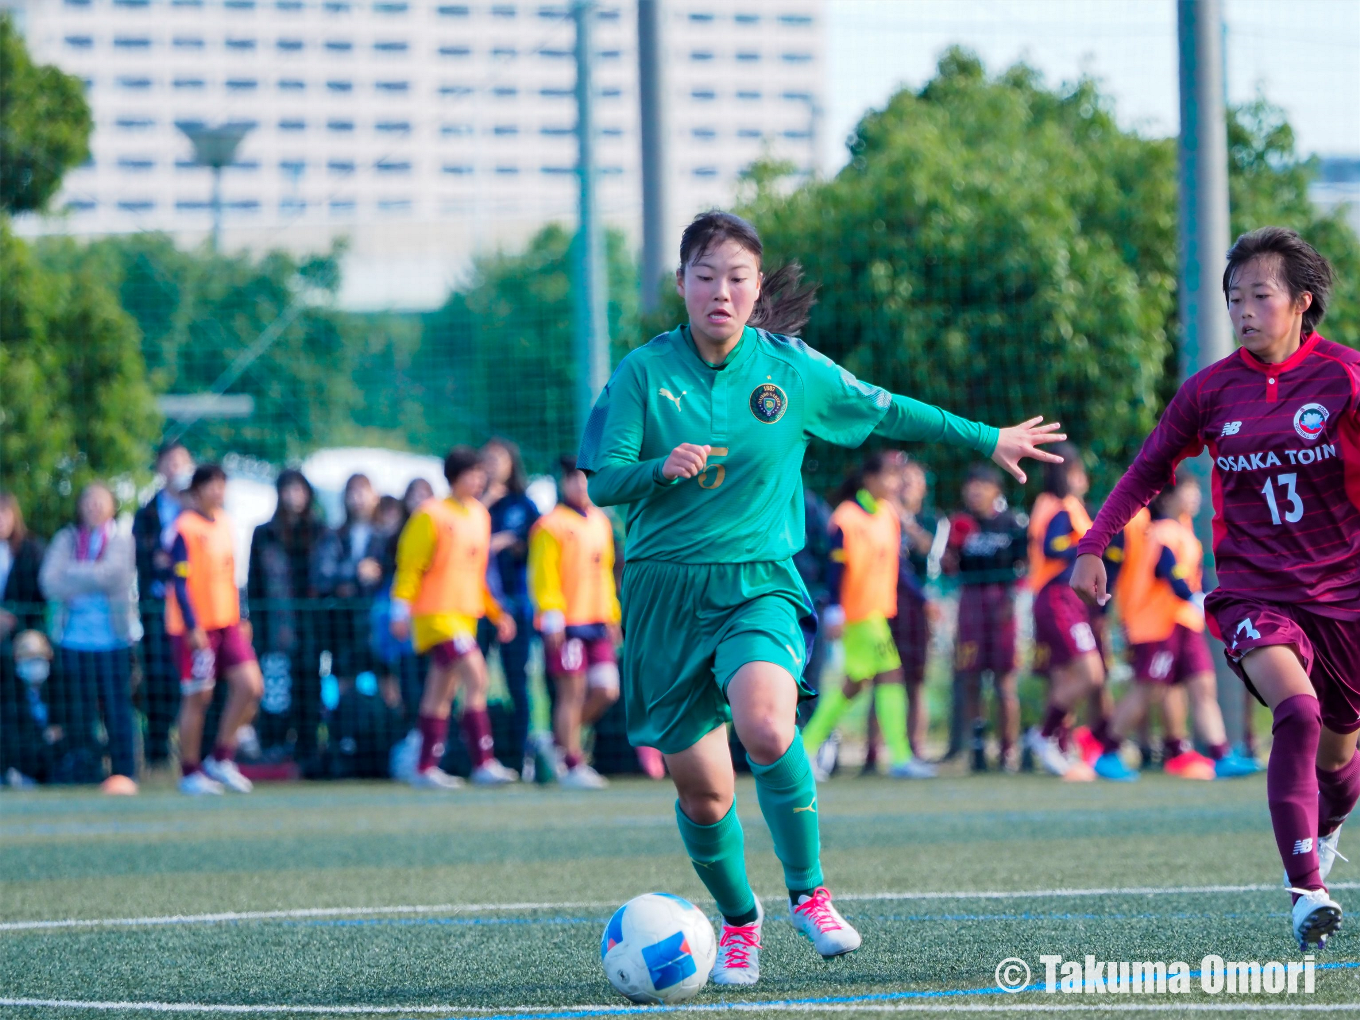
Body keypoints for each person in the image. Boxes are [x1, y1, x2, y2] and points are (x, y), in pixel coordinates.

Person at [578, 210, 1063, 985]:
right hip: (663, 596)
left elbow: (887, 407)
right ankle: (741, 923)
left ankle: (810, 895)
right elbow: (602, 480)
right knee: (704, 795)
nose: (721, 291)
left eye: (737, 278)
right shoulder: (643, 372)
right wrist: (656, 469)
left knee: (768, 727)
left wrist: (987, 437)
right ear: (681, 283)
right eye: (705, 276)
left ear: (755, 288)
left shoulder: (791, 370)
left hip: (756, 585)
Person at [1071, 227, 1360, 950]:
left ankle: (1323, 826)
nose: (1244, 311)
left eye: (1260, 296)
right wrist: (1093, 544)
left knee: (1340, 762)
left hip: (1344, 597)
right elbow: (1148, 469)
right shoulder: (1210, 391)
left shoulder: (1346, 377)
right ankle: (1306, 892)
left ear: (1302, 302)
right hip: (1255, 592)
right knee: (1297, 711)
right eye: (1234, 298)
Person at [1094, 477, 1259, 782]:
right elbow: (1169, 572)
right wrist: (1195, 598)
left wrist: (1206, 598)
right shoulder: (1161, 532)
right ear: (1168, 497)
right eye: (1189, 490)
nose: (1196, 496)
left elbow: (1194, 576)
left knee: (1203, 686)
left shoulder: (1185, 530)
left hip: (1184, 623)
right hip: (1157, 626)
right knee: (1147, 689)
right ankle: (1108, 752)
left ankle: (1221, 755)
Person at [389, 447, 519, 789]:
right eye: (471, 473)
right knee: (476, 675)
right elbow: (410, 566)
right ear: (454, 477)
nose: (478, 479)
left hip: (465, 617)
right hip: (435, 616)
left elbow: (478, 575)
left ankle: (424, 768)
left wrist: (497, 613)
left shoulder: (480, 515)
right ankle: (483, 762)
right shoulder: (430, 514)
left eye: (480, 473)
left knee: (440, 693)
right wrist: (399, 609)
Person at [801, 453, 935, 780]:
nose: (895, 483)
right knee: (889, 675)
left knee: (854, 684)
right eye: (890, 476)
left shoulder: (888, 514)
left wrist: (922, 598)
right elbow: (836, 568)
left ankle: (805, 750)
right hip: (857, 615)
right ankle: (900, 757)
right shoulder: (846, 517)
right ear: (870, 479)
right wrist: (835, 609)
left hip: (876, 613)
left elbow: (897, 566)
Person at [39, 483, 141, 793]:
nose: (94, 506)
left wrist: (72, 573)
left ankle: (125, 773)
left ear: (112, 505)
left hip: (114, 641)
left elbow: (115, 576)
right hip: (73, 641)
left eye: (100, 501)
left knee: (117, 709)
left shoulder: (121, 537)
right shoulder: (66, 538)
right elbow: (49, 581)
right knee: (79, 711)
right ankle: (86, 769)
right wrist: (93, 575)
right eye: (88, 501)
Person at [167, 465, 264, 795]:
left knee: (250, 685)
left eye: (222, 484)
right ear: (196, 491)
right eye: (211, 485)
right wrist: (192, 625)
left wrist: (243, 614)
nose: (218, 491)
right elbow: (179, 583)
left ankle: (221, 758)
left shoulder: (225, 523)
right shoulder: (184, 528)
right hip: (196, 627)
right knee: (198, 697)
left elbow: (233, 575)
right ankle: (189, 771)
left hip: (228, 623)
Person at [527, 456, 622, 789]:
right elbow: (543, 576)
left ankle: (553, 742)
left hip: (597, 621)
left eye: (587, 480)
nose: (582, 486)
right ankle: (572, 763)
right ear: (564, 483)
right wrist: (552, 616)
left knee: (607, 690)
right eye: (575, 479)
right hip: (567, 623)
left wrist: (612, 615)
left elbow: (605, 574)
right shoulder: (550, 525)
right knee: (572, 692)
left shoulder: (601, 521)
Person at [1023, 444, 1114, 779]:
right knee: (1092, 674)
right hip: (1057, 599)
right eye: (1078, 471)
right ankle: (1044, 735)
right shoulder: (1061, 509)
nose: (1084, 479)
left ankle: (1059, 745)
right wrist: (1085, 547)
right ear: (1068, 473)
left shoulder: (1052, 506)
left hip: (1061, 600)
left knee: (1066, 676)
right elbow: (1053, 546)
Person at [943, 464, 1026, 772]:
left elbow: (1025, 564)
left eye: (982, 484)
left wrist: (1013, 599)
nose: (975, 490)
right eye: (971, 485)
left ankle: (1008, 749)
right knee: (970, 677)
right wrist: (952, 550)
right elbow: (948, 568)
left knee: (1005, 680)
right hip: (970, 604)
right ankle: (976, 746)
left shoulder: (1012, 523)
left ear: (996, 490)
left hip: (1002, 603)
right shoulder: (960, 524)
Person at [247, 469, 324, 761]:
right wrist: (256, 626)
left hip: (310, 629)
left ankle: (307, 751)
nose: (294, 495)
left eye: (299, 489)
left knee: (308, 688)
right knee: (275, 693)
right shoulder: (264, 533)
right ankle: (273, 749)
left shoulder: (320, 532)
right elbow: (255, 584)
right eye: (288, 489)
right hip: (275, 627)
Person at [132, 441, 195, 768]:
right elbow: (143, 557)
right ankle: (157, 750)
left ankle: (197, 751)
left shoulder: (199, 509)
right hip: (159, 608)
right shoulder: (147, 512)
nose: (176, 468)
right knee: (159, 676)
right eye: (169, 462)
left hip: (195, 609)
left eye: (181, 461)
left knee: (197, 678)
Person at [480, 438, 540, 775]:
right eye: (486, 458)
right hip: (476, 604)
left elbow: (535, 546)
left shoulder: (524, 505)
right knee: (473, 680)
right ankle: (479, 757)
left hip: (513, 605)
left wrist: (512, 543)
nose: (491, 463)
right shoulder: (473, 504)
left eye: (498, 458)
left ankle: (522, 756)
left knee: (517, 679)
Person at [888, 456, 940, 766]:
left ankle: (916, 747)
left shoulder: (930, 520)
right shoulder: (881, 515)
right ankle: (875, 751)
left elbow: (927, 548)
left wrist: (904, 519)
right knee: (883, 678)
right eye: (902, 480)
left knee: (916, 680)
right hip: (884, 603)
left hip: (917, 606)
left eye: (913, 481)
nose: (906, 486)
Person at [314, 474, 385, 684]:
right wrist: (357, 572)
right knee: (344, 682)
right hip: (343, 625)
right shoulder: (333, 535)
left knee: (386, 684)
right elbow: (323, 575)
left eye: (363, 491)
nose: (358, 497)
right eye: (352, 492)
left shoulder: (386, 536)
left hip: (379, 625)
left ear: (375, 496)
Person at [0, 493, 49, 786]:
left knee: (15, 704)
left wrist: (13, 617)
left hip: (19, 643)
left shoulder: (31, 550)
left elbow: (40, 596)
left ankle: (21, 767)